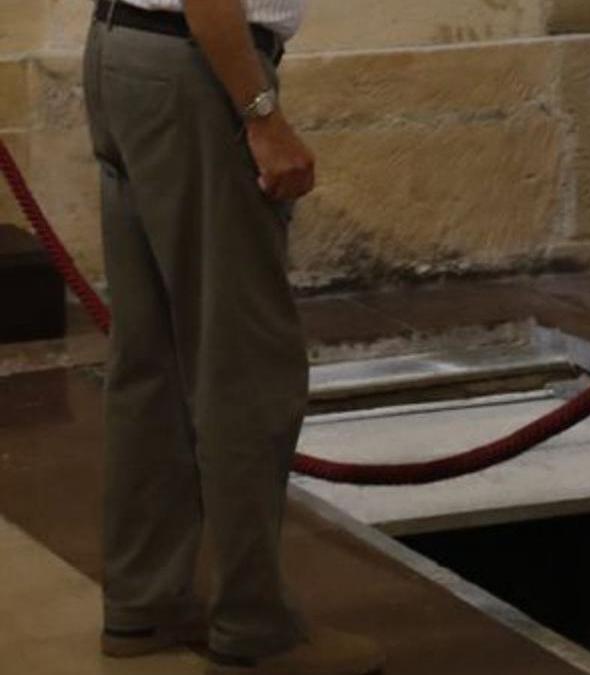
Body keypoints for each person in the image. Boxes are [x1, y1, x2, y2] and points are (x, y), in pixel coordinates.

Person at [83, 1, 384, 673]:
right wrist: (262, 114)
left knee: (152, 356)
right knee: (244, 361)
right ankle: (256, 623)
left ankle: (144, 598)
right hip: (194, 71)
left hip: (124, 48)